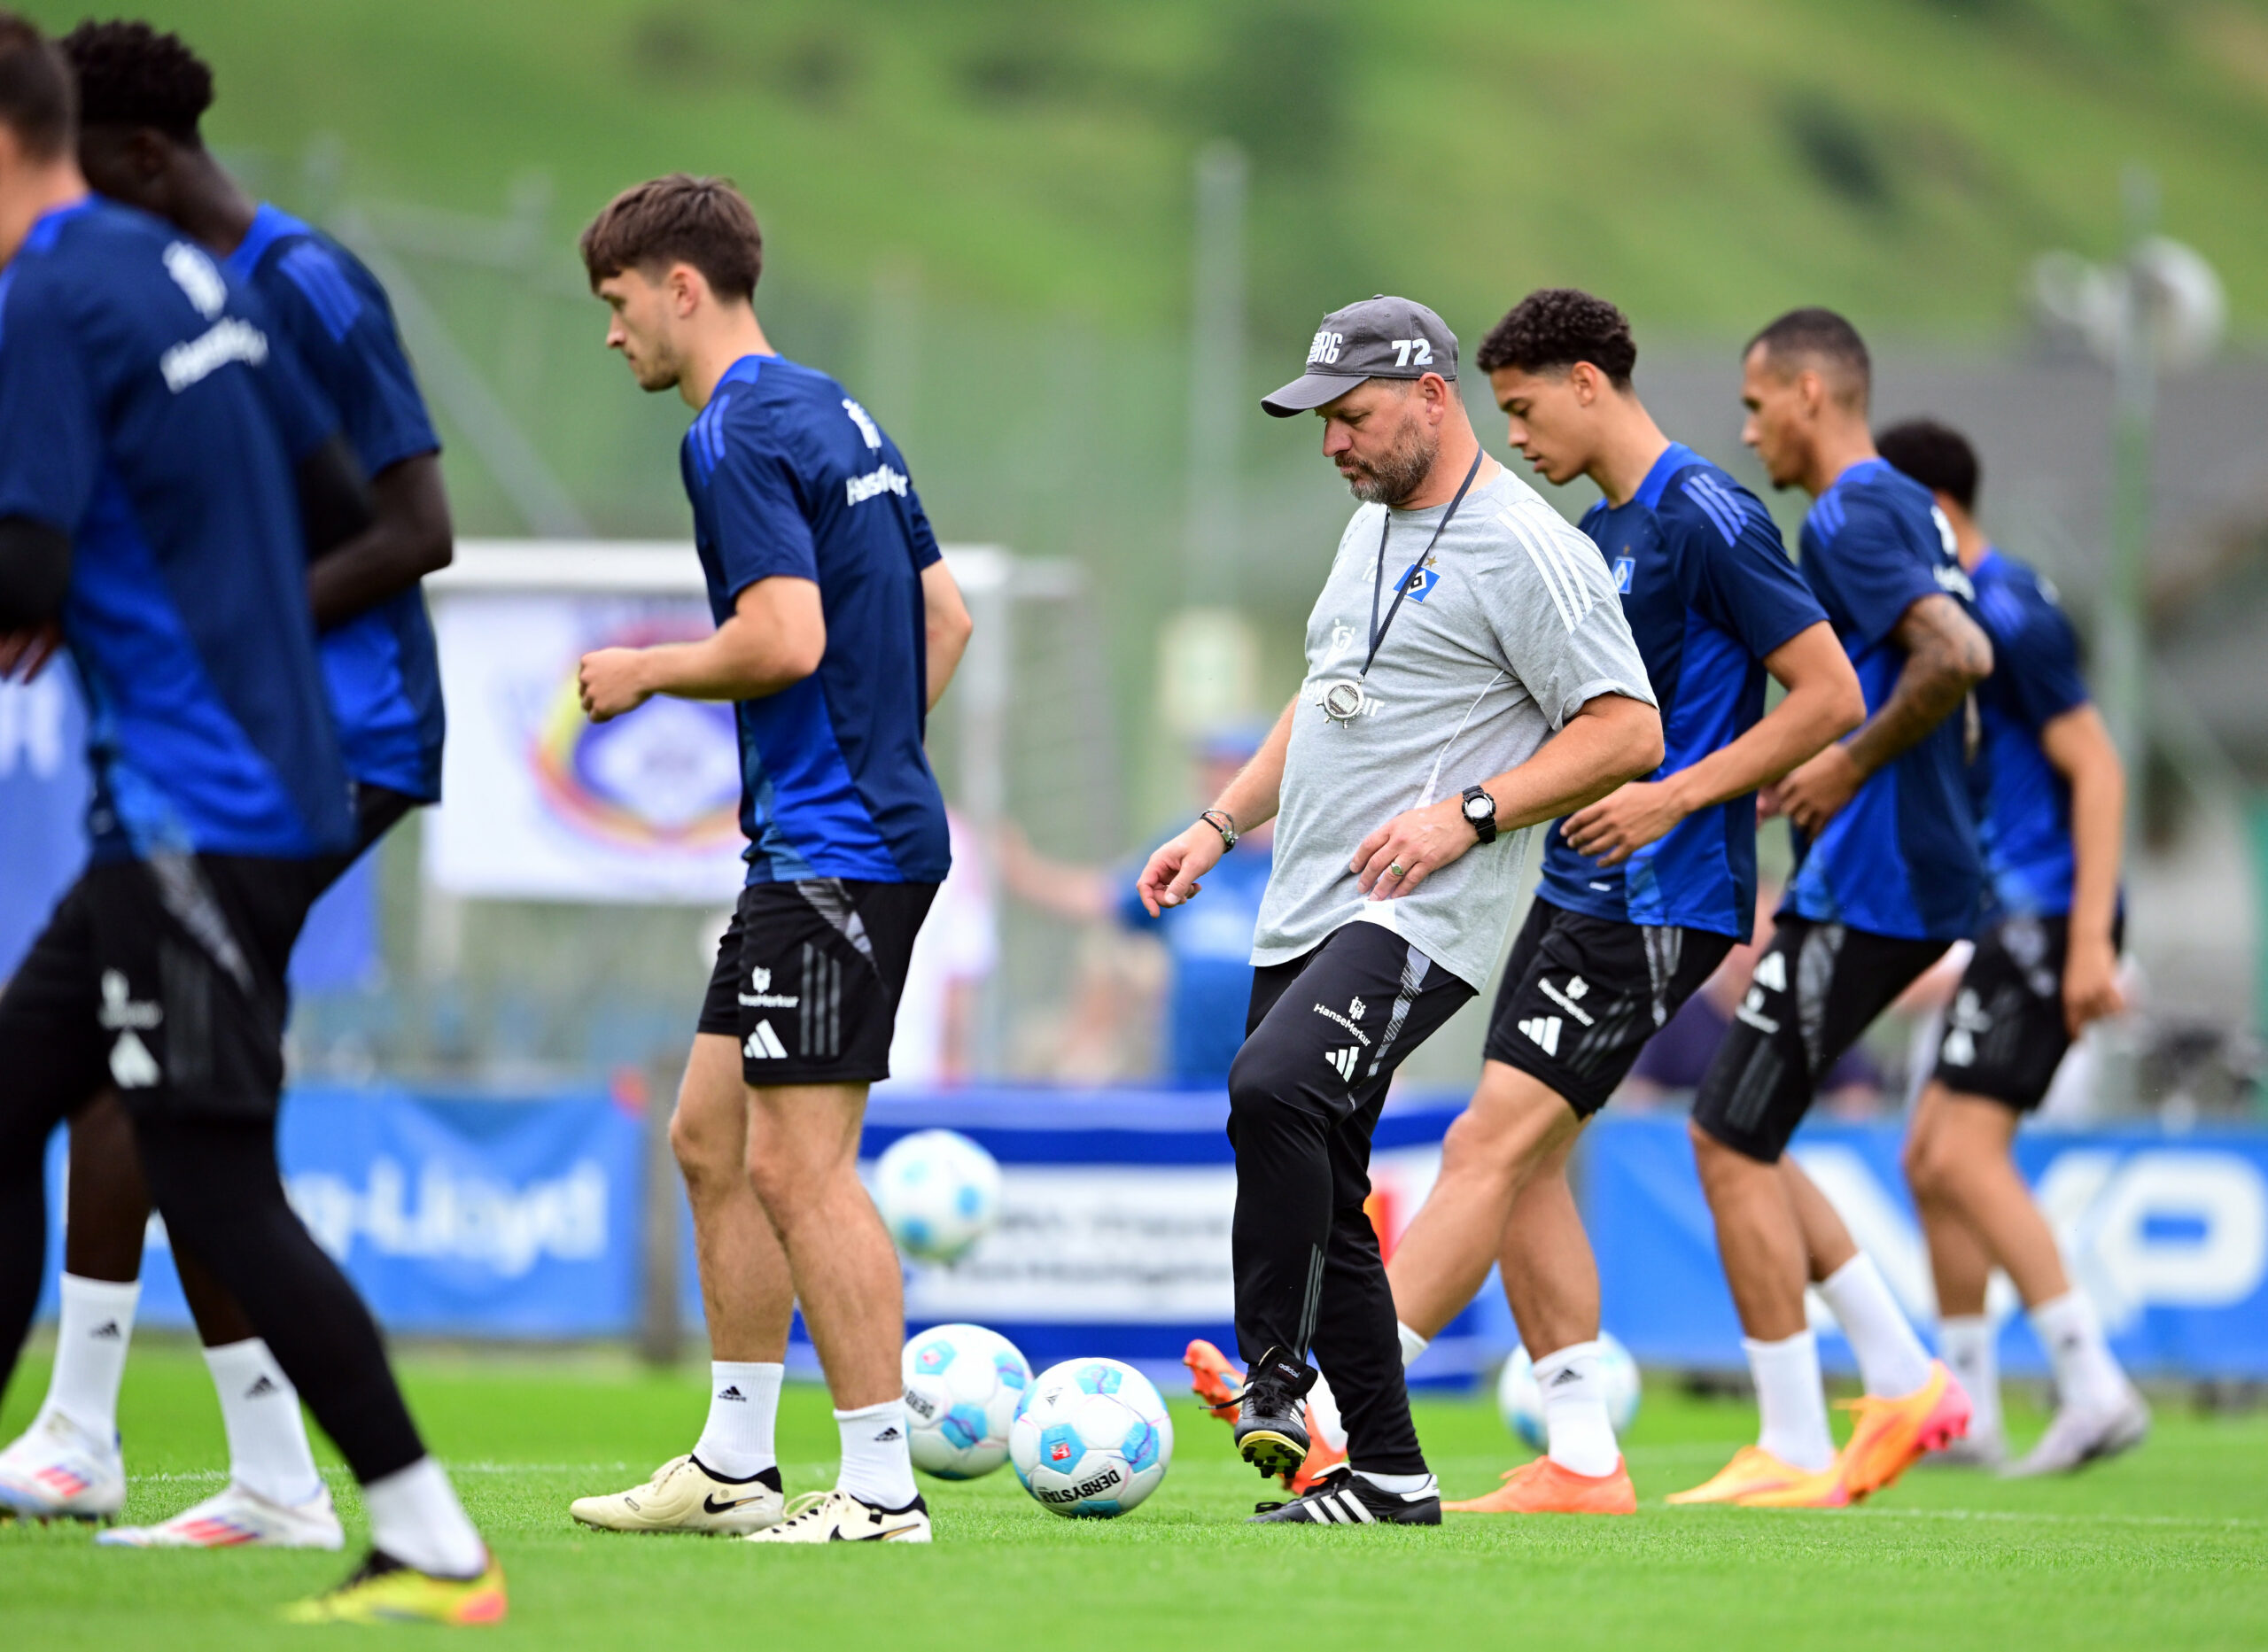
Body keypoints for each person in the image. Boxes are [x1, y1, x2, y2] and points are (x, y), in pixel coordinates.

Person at [0, 15, 499, 1623]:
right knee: (51, 1107)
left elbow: (394, 529)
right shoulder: (190, 282)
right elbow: (329, 509)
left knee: (204, 1166)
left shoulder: (71, 291)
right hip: (209, 791)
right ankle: (120, 1439)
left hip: (205, 802)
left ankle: (399, 1525)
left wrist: (121, 602)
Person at [1138, 295, 1661, 1526]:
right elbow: (1326, 699)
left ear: (1435, 398)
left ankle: (1276, 1379)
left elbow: (1629, 729)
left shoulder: (1532, 550)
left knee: (1273, 1087)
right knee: (1329, 1187)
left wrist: (1468, 815)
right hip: (1305, 899)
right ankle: (1390, 1474)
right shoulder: (1368, 526)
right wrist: (1217, 825)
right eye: (1322, 422)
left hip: (1422, 913)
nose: (1334, 444)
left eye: (1354, 418)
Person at [1372, 289, 1866, 1516]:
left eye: (1526, 407)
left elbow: (1828, 694)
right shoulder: (1602, 535)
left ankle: (1345, 1422)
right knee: (1527, 1163)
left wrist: (1675, 797)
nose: (1518, 436)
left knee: (1487, 1145)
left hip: (1658, 891)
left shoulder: (1708, 514)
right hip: (1580, 881)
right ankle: (1583, 1457)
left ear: (1589, 381)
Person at [564, 174, 972, 1544]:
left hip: (834, 852)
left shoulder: (733, 429)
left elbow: (786, 638)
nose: (612, 337)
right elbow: (946, 616)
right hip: (835, 836)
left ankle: (880, 1491)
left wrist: (647, 670)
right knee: (709, 1136)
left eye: (618, 307)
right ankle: (736, 1463)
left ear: (684, 287)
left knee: (802, 1168)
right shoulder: (832, 403)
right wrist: (871, 755)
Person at [1674, 309, 1997, 1509]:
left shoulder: (1857, 509)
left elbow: (1957, 656)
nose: (1749, 428)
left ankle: (1803, 1439)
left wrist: (1847, 767)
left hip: (1878, 883)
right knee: (1741, 1130)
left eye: (1759, 405)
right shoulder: (1907, 505)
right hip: (1888, 875)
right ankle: (1905, 1376)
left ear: (1811, 392)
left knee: (1727, 1137)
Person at [1878, 418, 2149, 1474]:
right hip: (2006, 913)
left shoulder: (2010, 611)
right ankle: (1969, 1406)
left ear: (1935, 513)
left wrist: (2089, 943)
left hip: (2048, 914)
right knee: (1925, 1156)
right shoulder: (1951, 617)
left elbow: (2100, 767)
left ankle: (2093, 1382)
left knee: (1963, 1151)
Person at [1000, 725, 1276, 1086]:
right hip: (1190, 1067)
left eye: (1228, 769)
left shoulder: (1295, 857)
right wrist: (1025, 874)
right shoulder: (1191, 848)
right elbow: (1110, 899)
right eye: (1208, 768)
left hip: (1270, 1065)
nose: (1213, 780)